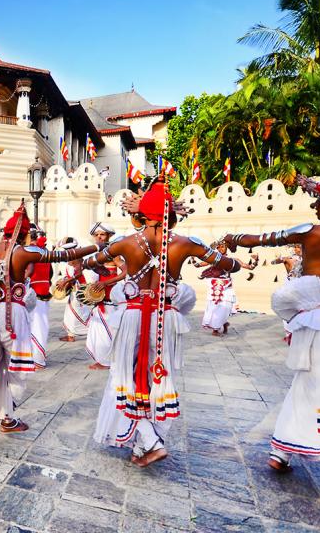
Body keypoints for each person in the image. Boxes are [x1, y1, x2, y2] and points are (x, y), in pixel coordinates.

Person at [85, 177, 240, 467]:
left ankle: (151, 442)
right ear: (172, 213)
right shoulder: (187, 243)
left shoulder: (126, 243)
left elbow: (93, 261)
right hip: (166, 317)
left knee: (126, 377)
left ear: (144, 214)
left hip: (133, 316)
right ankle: (143, 444)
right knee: (159, 375)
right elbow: (228, 264)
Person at [0, 203, 102, 436]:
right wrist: (97, 246)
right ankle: (7, 417)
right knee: (17, 367)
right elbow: (67, 254)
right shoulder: (28, 252)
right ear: (25, 234)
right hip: (13, 316)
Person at [223, 169, 320, 471]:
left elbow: (261, 239)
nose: (315, 207)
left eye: (318, 201)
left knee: (308, 383)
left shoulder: (313, 233)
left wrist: (232, 237)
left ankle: (282, 451)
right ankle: (284, 450)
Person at [85, 222, 126, 370]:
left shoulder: (113, 253)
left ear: (109, 236)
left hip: (110, 298)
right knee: (97, 331)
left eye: (102, 234)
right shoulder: (94, 254)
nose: (99, 237)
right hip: (98, 297)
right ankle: (102, 359)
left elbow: (125, 271)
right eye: (96, 235)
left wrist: (106, 283)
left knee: (108, 331)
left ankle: (107, 361)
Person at [194, 240, 257, 336]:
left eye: (223, 246)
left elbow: (250, 267)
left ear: (226, 248)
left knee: (225, 307)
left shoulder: (233, 260)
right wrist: (193, 258)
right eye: (218, 247)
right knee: (214, 306)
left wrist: (256, 261)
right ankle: (216, 329)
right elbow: (197, 265)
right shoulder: (212, 259)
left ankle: (223, 323)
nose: (221, 248)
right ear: (216, 248)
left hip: (227, 286)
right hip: (215, 287)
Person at [26, 229, 52, 369]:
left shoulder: (30, 251)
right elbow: (51, 273)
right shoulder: (45, 251)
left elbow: (29, 271)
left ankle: (37, 360)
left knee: (35, 326)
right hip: (44, 290)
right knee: (40, 325)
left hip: (33, 293)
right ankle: (37, 356)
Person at [58, 239, 92, 342]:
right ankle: (70, 334)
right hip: (73, 288)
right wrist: (64, 281)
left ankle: (88, 331)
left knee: (79, 312)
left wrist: (66, 281)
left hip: (79, 288)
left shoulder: (77, 258)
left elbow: (78, 274)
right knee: (70, 312)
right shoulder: (70, 259)